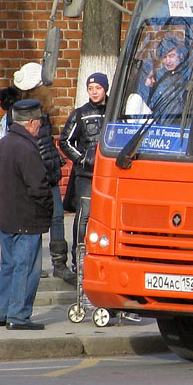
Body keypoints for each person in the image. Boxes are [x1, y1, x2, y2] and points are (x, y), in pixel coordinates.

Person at [0, 99, 53, 330]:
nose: (40, 127)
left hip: (7, 216)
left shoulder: (3, 145)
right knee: (26, 267)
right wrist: (48, 210)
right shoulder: (27, 148)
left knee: (9, 266)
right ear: (32, 122)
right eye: (39, 123)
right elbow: (39, 186)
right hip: (27, 217)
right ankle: (18, 315)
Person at [10, 62, 73, 284]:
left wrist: (54, 163)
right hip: (35, 176)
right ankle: (33, 264)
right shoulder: (21, 115)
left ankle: (59, 263)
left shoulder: (43, 115)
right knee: (33, 221)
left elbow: (47, 145)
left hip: (49, 175)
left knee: (56, 217)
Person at [61, 72, 109, 271]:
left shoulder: (115, 112)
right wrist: (81, 159)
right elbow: (65, 141)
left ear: (105, 89)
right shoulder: (80, 113)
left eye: (98, 88)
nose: (94, 92)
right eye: (90, 89)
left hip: (108, 174)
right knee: (84, 216)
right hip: (86, 176)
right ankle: (78, 258)